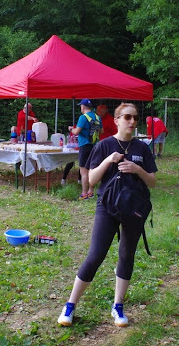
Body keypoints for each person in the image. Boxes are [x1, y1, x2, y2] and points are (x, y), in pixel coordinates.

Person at [57, 102, 157, 327]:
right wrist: (109, 160)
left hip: (134, 207)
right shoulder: (104, 145)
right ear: (117, 120)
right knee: (96, 255)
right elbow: (92, 180)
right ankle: (70, 305)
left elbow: (152, 181)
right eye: (128, 117)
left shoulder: (142, 148)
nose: (132, 122)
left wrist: (137, 169)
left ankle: (118, 306)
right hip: (107, 206)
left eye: (135, 118)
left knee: (126, 255)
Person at [68, 99, 102, 199]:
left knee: (83, 171)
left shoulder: (83, 117)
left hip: (84, 145)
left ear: (83, 107)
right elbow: (102, 130)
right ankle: (91, 191)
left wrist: (71, 129)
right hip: (95, 145)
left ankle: (84, 193)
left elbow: (76, 132)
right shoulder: (97, 117)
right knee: (92, 169)